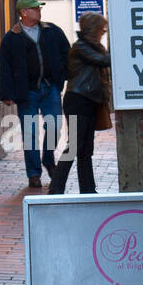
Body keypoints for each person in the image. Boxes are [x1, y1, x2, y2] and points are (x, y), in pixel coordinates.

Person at [0, 0, 70, 189]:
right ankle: (33, 173)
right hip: (26, 92)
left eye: (39, 8)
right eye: (35, 9)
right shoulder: (10, 38)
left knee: (54, 127)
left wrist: (62, 76)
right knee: (30, 133)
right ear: (24, 12)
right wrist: (7, 94)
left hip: (50, 87)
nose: (39, 11)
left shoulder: (52, 31)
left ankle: (48, 159)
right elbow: (4, 67)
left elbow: (66, 53)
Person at [48, 12, 111, 195]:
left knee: (86, 149)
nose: (103, 32)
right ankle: (56, 187)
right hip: (78, 101)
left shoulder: (93, 46)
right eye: (101, 29)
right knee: (74, 145)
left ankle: (88, 188)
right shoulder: (81, 47)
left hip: (89, 100)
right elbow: (104, 61)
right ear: (93, 30)